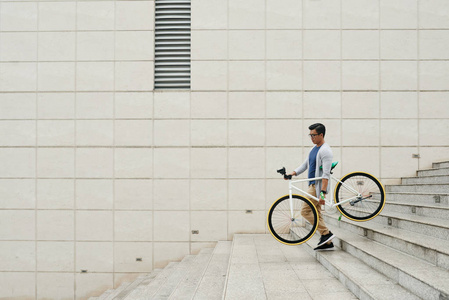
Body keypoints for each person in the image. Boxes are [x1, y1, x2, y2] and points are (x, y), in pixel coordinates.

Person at [286, 123, 335, 251]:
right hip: (312, 185)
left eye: (313, 135)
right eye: (310, 135)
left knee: (305, 211)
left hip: (317, 187)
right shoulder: (313, 149)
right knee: (316, 213)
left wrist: (322, 193)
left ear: (321, 135)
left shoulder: (325, 151)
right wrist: (293, 173)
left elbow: (325, 175)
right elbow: (305, 165)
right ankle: (327, 242)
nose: (311, 137)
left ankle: (326, 234)